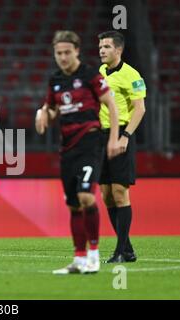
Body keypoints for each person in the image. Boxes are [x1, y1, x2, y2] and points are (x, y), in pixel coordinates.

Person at [35, 30, 122, 274]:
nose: (62, 57)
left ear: (76, 52)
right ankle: (79, 259)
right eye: (58, 53)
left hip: (91, 143)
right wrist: (43, 116)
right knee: (74, 205)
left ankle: (94, 255)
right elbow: (52, 110)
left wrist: (113, 139)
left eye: (67, 52)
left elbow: (111, 106)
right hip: (67, 148)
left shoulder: (90, 75)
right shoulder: (55, 80)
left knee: (87, 197)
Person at [98, 31, 146, 263]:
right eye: (100, 47)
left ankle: (120, 251)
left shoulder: (131, 75)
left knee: (120, 192)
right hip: (101, 138)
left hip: (121, 135)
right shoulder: (99, 73)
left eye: (106, 47)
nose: (102, 50)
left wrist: (126, 136)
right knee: (106, 195)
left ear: (118, 50)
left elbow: (140, 109)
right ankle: (126, 248)